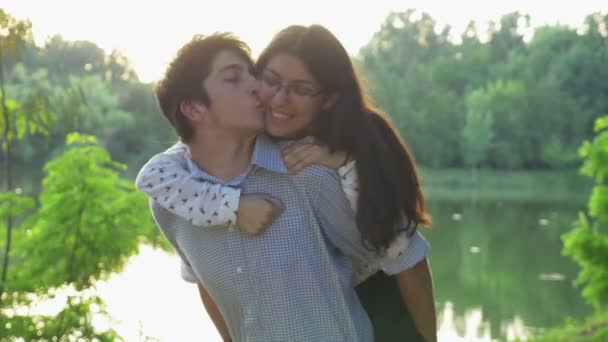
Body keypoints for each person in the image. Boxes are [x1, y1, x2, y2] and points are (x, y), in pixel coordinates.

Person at [140, 32, 433, 341]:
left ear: (328, 99)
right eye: (235, 79)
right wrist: (234, 206)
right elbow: (206, 283)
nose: (259, 89)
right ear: (195, 110)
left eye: (252, 74)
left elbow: (403, 255)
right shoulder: (172, 200)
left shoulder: (309, 170)